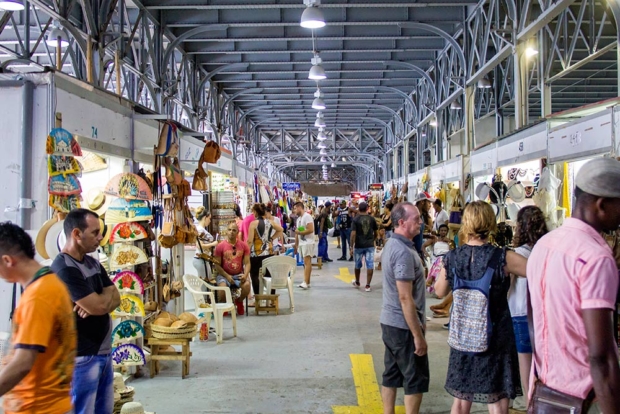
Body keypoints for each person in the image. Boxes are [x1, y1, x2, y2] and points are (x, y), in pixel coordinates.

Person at [527, 158, 620, 413]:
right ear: (602, 205)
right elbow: (601, 357)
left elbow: (533, 321)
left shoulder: (543, 246)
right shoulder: (595, 258)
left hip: (545, 394)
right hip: (585, 399)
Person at [434, 201, 527, 414]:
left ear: (466, 224)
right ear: (491, 223)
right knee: (497, 398)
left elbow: (439, 291)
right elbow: (536, 270)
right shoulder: (503, 257)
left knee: (460, 399)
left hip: (463, 336)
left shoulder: (452, 258)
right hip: (496, 336)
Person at [0, 222, 76, 414]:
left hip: (37, 407)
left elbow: (23, 362)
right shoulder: (51, 283)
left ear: (8, 260)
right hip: (52, 403)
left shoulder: (37, 297)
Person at [51, 208, 121, 414]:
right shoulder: (64, 268)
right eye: (95, 232)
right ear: (76, 234)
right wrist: (100, 302)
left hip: (103, 352)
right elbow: (100, 305)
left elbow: (115, 297)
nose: (100, 237)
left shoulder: (92, 262)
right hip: (82, 356)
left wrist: (98, 303)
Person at [380, 202, 429, 414]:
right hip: (404, 326)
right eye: (416, 219)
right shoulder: (402, 253)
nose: (421, 223)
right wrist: (417, 334)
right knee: (414, 377)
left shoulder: (393, 244)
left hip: (390, 323)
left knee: (391, 373)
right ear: (402, 222)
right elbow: (405, 297)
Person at [508, 206, 547, 407]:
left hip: (520, 315)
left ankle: (531, 405)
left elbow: (507, 289)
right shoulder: (547, 251)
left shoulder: (516, 254)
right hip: (545, 317)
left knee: (526, 371)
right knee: (543, 368)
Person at [213, 222, 251, 315]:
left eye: (234, 230)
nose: (231, 232)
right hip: (223, 275)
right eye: (229, 230)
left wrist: (245, 275)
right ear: (226, 231)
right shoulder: (220, 246)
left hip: (238, 275)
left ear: (238, 232)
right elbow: (217, 265)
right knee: (222, 290)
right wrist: (227, 276)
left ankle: (239, 301)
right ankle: (225, 304)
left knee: (247, 286)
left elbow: (247, 263)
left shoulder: (244, 245)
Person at [247, 203, 283, 295]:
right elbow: (280, 230)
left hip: (256, 254)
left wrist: (246, 253)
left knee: (254, 275)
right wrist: (271, 239)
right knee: (269, 275)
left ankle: (258, 298)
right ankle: (272, 298)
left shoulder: (253, 224)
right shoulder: (270, 222)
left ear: (255, 212)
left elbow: (250, 241)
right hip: (268, 253)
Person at [350, 201, 378, 292]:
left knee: (357, 264)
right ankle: (367, 285)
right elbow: (376, 233)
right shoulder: (372, 219)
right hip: (369, 245)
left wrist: (351, 246)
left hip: (358, 245)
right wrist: (372, 240)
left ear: (359, 209)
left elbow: (353, 234)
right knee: (370, 265)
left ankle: (357, 282)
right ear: (367, 209)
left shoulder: (356, 219)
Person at [422, 224, 455, 299]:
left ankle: (431, 279)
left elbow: (453, 252)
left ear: (447, 232)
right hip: (436, 259)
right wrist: (426, 253)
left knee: (442, 260)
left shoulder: (449, 241)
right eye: (442, 230)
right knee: (440, 260)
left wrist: (449, 242)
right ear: (439, 231)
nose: (443, 232)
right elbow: (423, 246)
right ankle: (437, 288)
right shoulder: (435, 239)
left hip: (446, 259)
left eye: (445, 231)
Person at [192, 206, 219, 280]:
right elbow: (199, 245)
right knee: (205, 284)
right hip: (201, 259)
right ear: (205, 218)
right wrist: (213, 244)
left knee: (206, 281)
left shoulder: (201, 229)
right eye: (209, 218)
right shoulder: (200, 230)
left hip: (204, 259)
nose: (210, 221)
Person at [293, 201, 315, 289]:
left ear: (299, 207)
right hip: (302, 243)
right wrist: (296, 245)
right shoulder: (299, 219)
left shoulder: (307, 217)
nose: (294, 210)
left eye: (295, 208)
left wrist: (300, 232)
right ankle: (307, 281)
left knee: (307, 262)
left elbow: (310, 229)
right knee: (305, 263)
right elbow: (297, 232)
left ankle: (305, 282)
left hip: (308, 242)